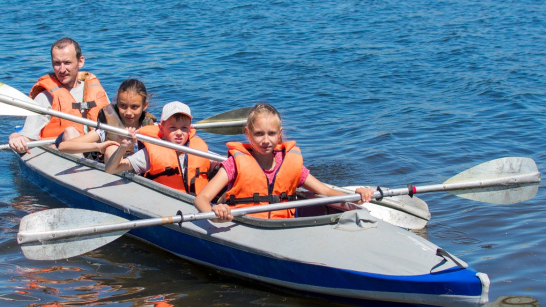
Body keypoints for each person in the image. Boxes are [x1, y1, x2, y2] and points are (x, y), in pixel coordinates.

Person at [194, 103, 374, 221]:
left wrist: (356, 198)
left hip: (282, 229)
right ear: (247, 134)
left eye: (271, 134)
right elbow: (202, 199)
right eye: (258, 134)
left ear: (280, 134)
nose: (266, 140)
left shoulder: (290, 163)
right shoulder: (234, 164)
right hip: (244, 225)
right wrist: (216, 213)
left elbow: (325, 191)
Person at [8, 38, 109, 154]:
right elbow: (27, 136)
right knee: (70, 132)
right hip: (63, 154)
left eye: (67, 63)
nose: (62, 70)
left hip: (96, 150)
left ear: (80, 61)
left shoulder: (98, 92)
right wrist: (15, 137)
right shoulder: (44, 98)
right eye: (57, 63)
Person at [105, 101, 213, 195]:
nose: (179, 133)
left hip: (196, 204)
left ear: (190, 129)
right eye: (173, 128)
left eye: (184, 128)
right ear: (161, 129)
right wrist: (123, 147)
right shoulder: (148, 154)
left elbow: (222, 166)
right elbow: (111, 169)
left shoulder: (200, 151)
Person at [55, 78, 156, 162]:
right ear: (117, 102)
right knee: (111, 150)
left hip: (142, 175)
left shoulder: (152, 127)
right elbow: (63, 147)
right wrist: (98, 147)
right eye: (123, 106)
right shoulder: (106, 129)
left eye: (134, 107)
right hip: (111, 173)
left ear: (144, 106)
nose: (128, 112)